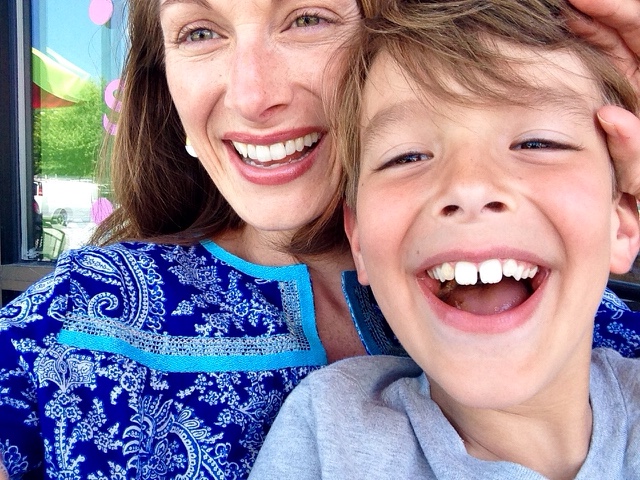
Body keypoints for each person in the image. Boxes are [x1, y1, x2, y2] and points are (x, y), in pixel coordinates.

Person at [0, 0, 640, 478]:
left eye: (307, 18)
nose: (253, 96)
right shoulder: (76, 317)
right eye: (198, 32)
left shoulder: (601, 327)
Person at [249, 0, 640, 478]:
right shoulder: (332, 432)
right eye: (407, 157)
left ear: (622, 222)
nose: (468, 187)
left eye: (538, 143)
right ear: (359, 239)